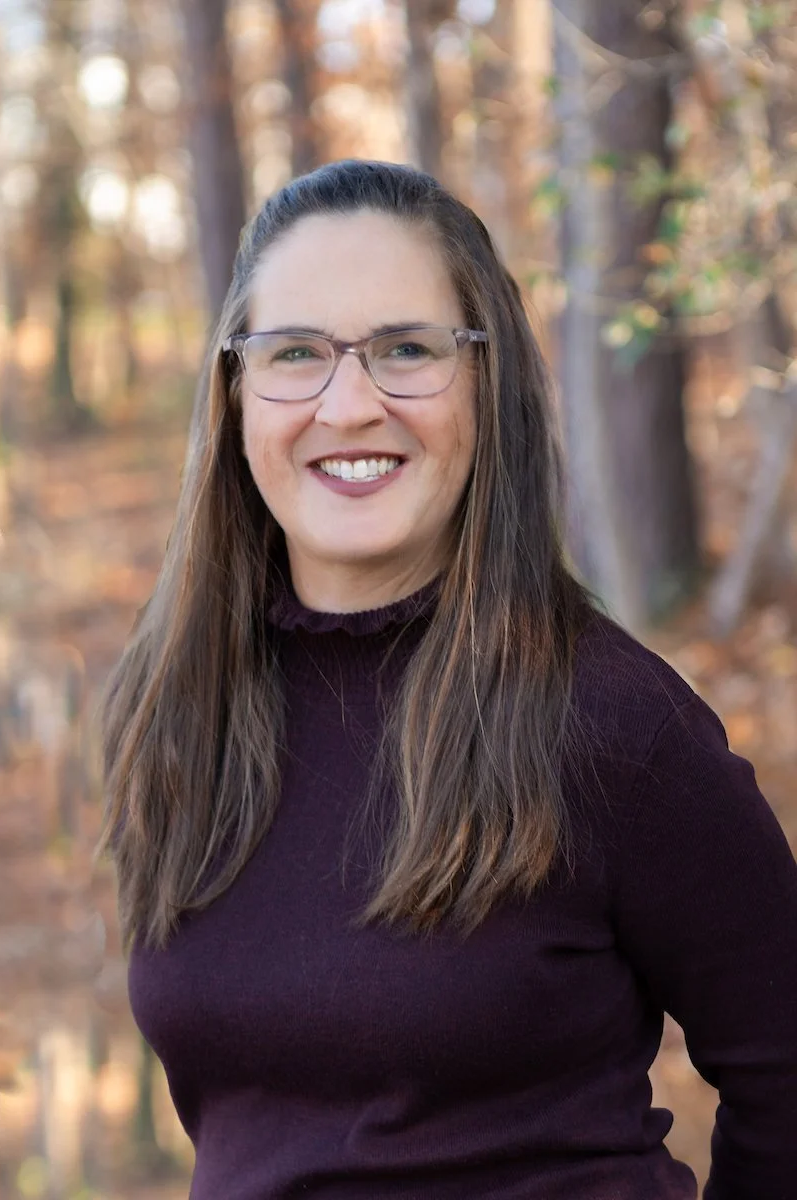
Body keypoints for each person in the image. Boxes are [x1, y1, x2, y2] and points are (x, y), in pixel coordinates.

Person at [98, 159, 797, 1200]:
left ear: (485, 381)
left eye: (406, 350)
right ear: (236, 391)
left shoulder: (610, 723)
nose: (348, 405)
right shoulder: (178, 706)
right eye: (296, 353)